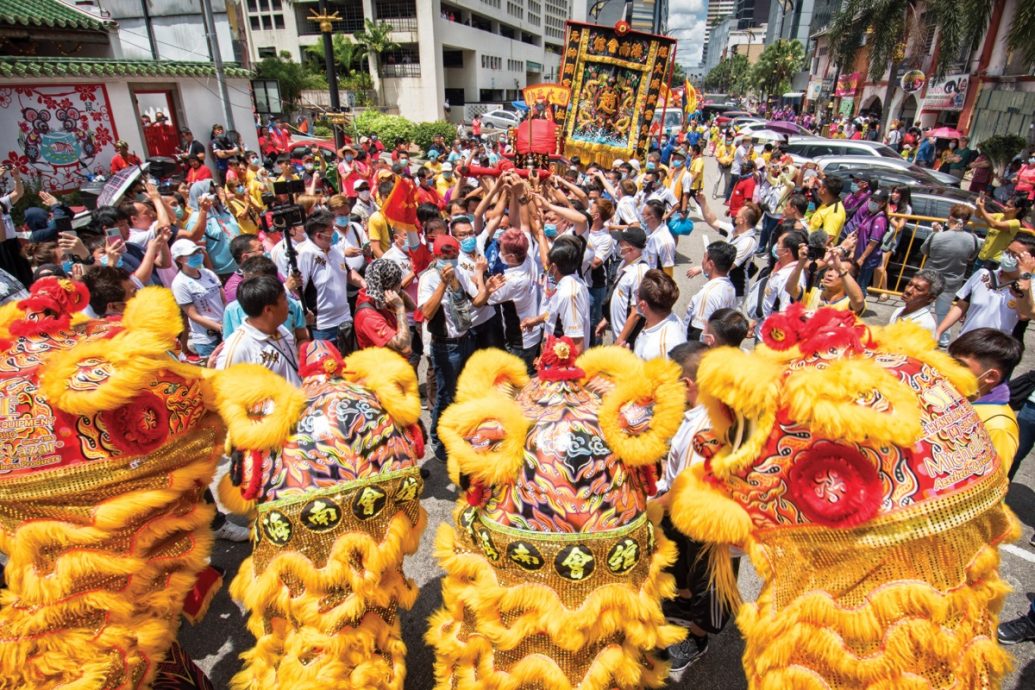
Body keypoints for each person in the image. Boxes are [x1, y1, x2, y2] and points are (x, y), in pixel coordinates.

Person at [656, 340, 736, 675]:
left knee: (710, 587)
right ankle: (683, 604)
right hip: (684, 517)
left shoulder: (707, 427)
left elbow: (685, 487)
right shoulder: (701, 410)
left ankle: (698, 638)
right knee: (683, 568)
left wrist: (646, 510)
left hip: (705, 523)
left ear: (687, 384)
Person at [419, 234, 486, 462]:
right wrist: (443, 284)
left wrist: (484, 284)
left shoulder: (461, 272)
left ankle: (461, 433)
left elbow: (477, 300)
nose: (451, 260)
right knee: (445, 395)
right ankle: (437, 439)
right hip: (445, 347)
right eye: (446, 256)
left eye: (454, 255)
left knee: (465, 392)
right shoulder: (428, 279)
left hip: (465, 340)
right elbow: (426, 312)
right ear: (436, 256)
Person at [936, 234, 1035, 341]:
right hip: (966, 342)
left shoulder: (1031, 286)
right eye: (1007, 252)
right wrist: (939, 331)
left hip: (998, 351)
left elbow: (1024, 315)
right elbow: (961, 305)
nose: (1008, 257)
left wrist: (1025, 277)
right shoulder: (983, 274)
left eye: (1015, 255)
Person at [947, 328, 1022, 463]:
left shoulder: (999, 427)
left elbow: (994, 481)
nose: (947, 368)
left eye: (960, 364)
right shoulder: (956, 396)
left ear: (991, 376)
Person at [216, 275, 301, 387]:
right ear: (268, 309)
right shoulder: (238, 349)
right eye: (285, 299)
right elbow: (223, 394)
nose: (289, 304)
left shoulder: (281, 329)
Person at [297, 210, 363, 349]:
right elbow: (297, 289)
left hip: (345, 319)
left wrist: (364, 283)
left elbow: (348, 272)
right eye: (331, 230)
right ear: (319, 235)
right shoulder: (306, 254)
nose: (334, 232)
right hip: (323, 326)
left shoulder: (336, 249)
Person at [921, 204, 982, 347]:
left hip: (930, 277)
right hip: (953, 280)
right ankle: (943, 339)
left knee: (923, 307)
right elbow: (971, 257)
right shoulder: (973, 239)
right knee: (943, 311)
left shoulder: (938, 236)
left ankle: (920, 334)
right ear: (966, 221)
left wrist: (935, 233)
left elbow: (924, 250)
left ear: (950, 218)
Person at [487, 228, 543, 374]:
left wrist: (479, 274)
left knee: (520, 380)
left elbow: (486, 299)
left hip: (521, 338)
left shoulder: (512, 280)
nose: (500, 254)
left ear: (511, 257)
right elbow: (524, 223)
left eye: (502, 251)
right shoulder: (528, 258)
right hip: (534, 331)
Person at [522, 236, 591, 353]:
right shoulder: (566, 282)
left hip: (561, 366)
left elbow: (576, 345)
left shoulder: (569, 294)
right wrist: (537, 320)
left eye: (547, 267)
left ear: (553, 267)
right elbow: (556, 312)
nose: (546, 270)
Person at [222, 255, 308, 345]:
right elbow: (228, 343)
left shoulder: (292, 305)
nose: (248, 285)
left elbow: (302, 338)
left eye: (254, 281)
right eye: (245, 279)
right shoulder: (232, 309)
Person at [169, 239, 225, 359]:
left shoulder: (208, 274)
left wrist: (227, 322)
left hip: (225, 329)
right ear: (180, 259)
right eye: (191, 254)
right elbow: (193, 315)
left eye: (197, 252)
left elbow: (223, 299)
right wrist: (218, 327)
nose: (197, 256)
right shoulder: (180, 283)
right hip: (207, 338)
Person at [599, 227, 650, 347]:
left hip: (626, 341)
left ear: (630, 248)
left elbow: (636, 313)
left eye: (621, 243)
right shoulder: (625, 263)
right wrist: (607, 319)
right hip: (619, 335)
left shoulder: (639, 273)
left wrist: (620, 341)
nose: (618, 245)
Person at [353, 258, 414, 357]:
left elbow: (412, 307)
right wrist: (399, 308)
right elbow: (405, 348)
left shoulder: (376, 294)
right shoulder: (368, 316)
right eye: (399, 281)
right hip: (382, 369)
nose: (401, 283)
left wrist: (397, 290)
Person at [183, 180, 241, 280]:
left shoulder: (222, 210)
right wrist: (213, 277)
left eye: (214, 191)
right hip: (223, 274)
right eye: (210, 193)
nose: (215, 195)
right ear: (199, 197)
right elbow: (201, 252)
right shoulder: (196, 221)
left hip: (241, 266)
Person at [788, 241, 866, 314]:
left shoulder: (849, 302)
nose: (830, 274)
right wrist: (801, 262)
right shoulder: (812, 292)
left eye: (837, 271)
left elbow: (858, 301)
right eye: (830, 269)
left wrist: (840, 268)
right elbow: (790, 288)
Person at [684, 241, 738, 341]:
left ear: (710, 264)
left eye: (704, 257)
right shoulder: (730, 287)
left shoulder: (707, 295)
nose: (702, 261)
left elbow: (697, 333)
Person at [843, 188, 890, 294]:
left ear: (882, 203)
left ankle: (858, 309)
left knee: (860, 287)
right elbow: (860, 234)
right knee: (852, 284)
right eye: (872, 199)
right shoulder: (869, 215)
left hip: (867, 259)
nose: (872, 202)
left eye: (876, 201)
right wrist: (853, 251)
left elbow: (873, 242)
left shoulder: (880, 219)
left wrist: (862, 258)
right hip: (858, 255)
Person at [632, 269, 685, 361]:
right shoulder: (664, 320)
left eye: (637, 294)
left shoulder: (662, 348)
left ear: (643, 305)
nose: (635, 297)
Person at [873, 186, 912, 300]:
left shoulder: (906, 208)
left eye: (897, 192)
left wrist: (889, 215)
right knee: (876, 264)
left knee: (880, 266)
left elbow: (899, 227)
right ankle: (876, 288)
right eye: (893, 191)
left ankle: (885, 291)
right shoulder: (888, 203)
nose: (894, 194)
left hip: (890, 238)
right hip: (878, 234)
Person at [974, 194, 1030, 269]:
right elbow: (979, 215)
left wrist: (981, 208)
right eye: (1005, 205)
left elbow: (994, 225)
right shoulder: (1000, 216)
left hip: (993, 260)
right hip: (982, 256)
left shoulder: (1015, 223)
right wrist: (979, 206)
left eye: (1009, 207)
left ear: (1018, 209)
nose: (1005, 208)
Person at [888, 269, 944, 339]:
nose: (908, 290)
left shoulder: (924, 325)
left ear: (930, 298)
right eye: (909, 284)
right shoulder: (898, 311)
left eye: (918, 289)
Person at [222, 234, 265, 304]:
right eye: (261, 249)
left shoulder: (268, 271)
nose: (264, 253)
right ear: (245, 257)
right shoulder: (235, 287)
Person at [643, 199, 676, 277]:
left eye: (644, 214)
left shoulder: (665, 241)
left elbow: (668, 273)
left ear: (652, 217)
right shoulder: (649, 230)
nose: (642, 216)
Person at [808, 176, 846, 242]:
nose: (818, 188)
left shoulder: (835, 213)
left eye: (820, 186)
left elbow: (828, 238)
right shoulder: (826, 203)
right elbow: (810, 212)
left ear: (824, 190)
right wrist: (811, 190)